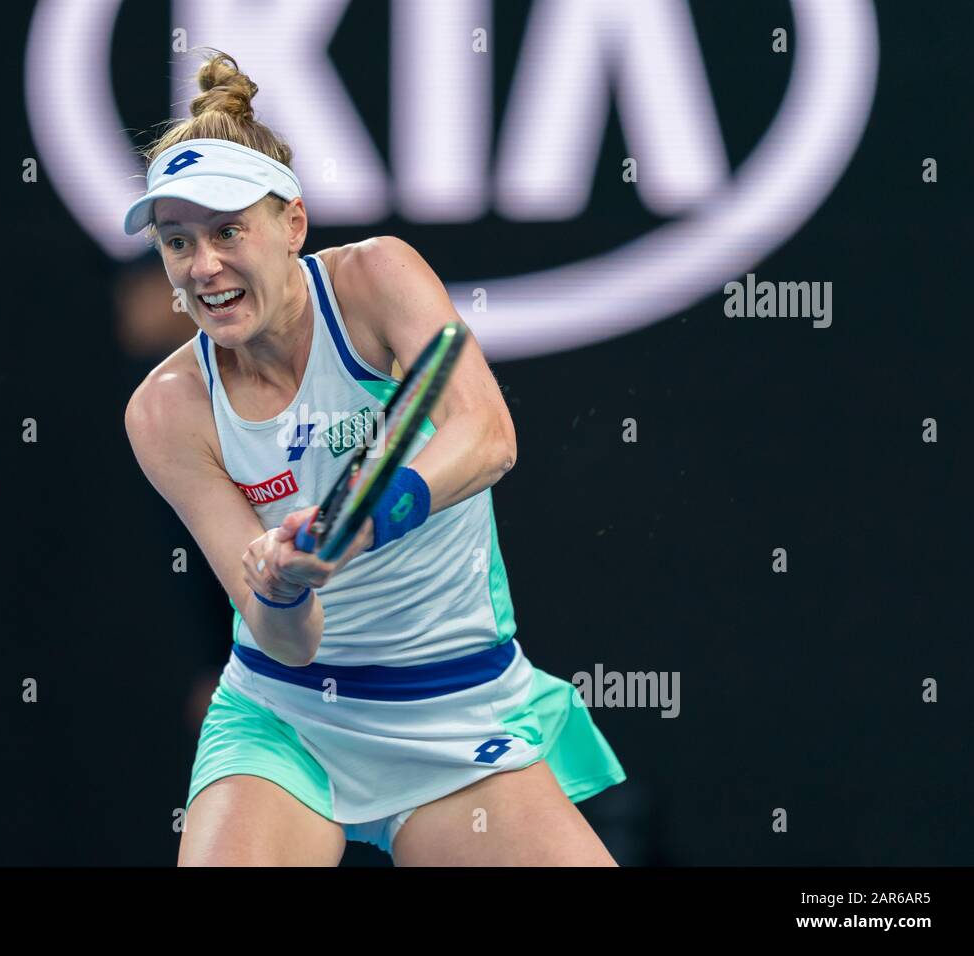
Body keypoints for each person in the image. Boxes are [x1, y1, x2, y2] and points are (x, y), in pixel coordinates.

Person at [123, 49, 626, 866]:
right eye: (177, 243)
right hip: (285, 724)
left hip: (459, 717)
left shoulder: (377, 279)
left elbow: (488, 436)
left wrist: (366, 526)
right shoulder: (164, 409)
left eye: (226, 231)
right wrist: (282, 587)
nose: (203, 266)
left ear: (292, 224)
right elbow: (287, 642)